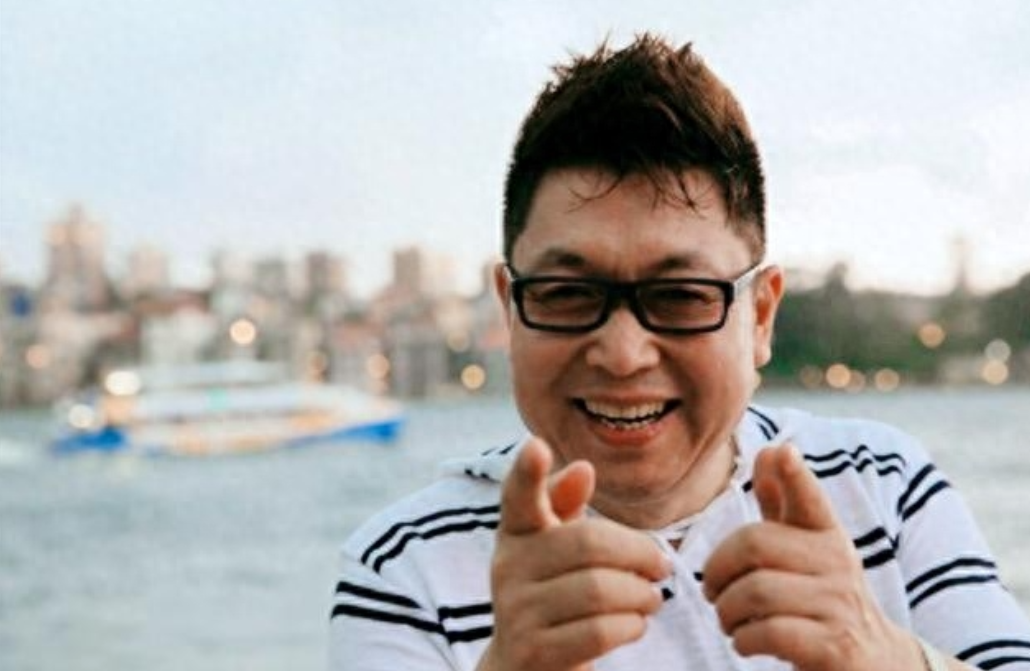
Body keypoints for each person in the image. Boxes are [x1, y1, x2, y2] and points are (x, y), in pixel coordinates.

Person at [328, 34, 1030, 670]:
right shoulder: (404, 567)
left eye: (681, 296)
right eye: (568, 293)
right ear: (510, 310)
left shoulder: (882, 487)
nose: (623, 353)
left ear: (760, 315)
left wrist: (881, 654)